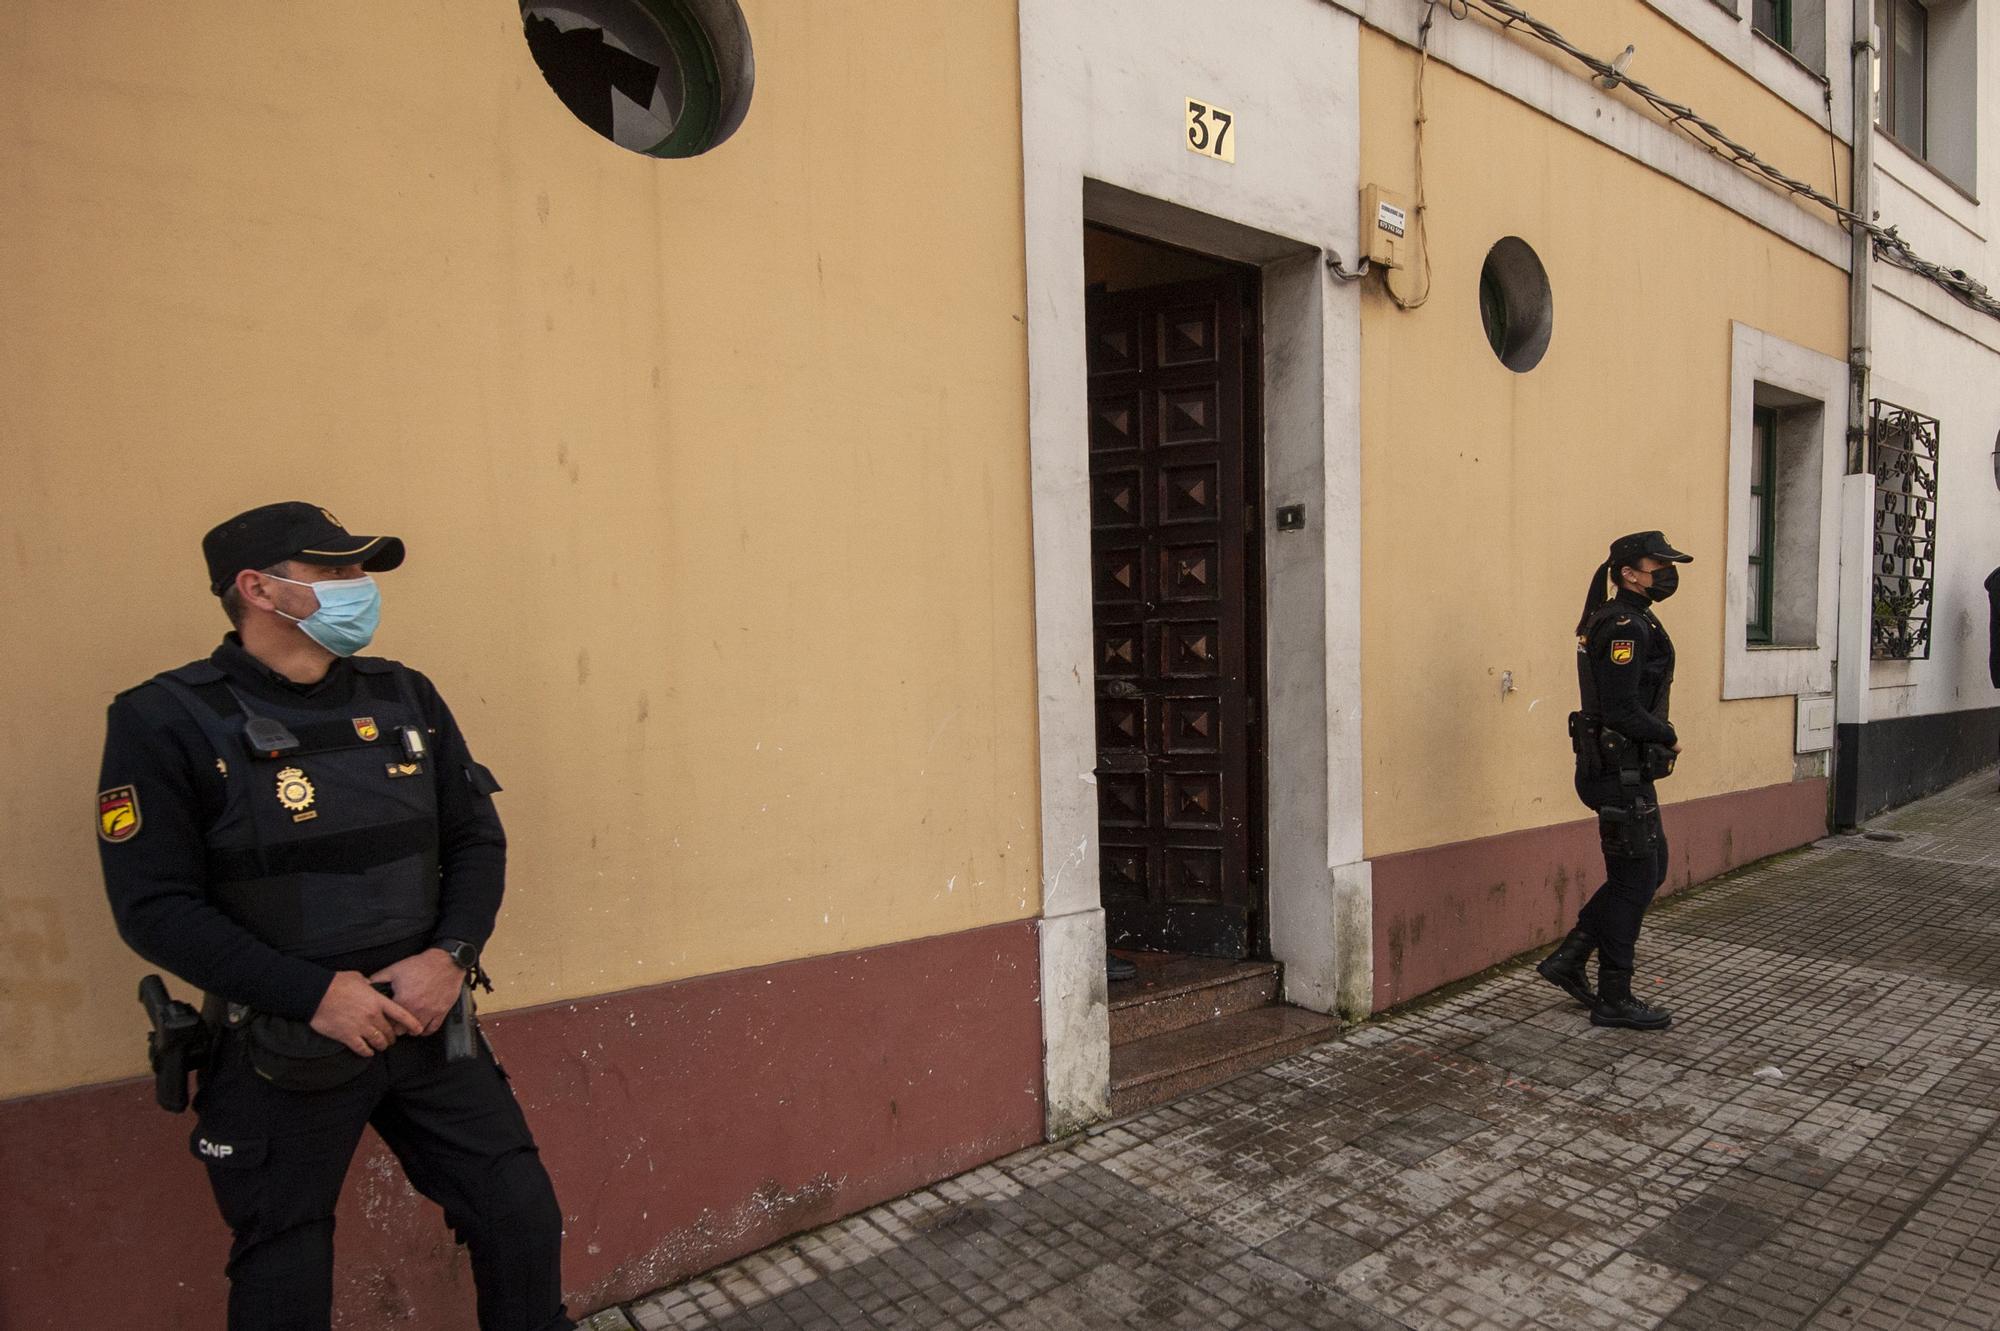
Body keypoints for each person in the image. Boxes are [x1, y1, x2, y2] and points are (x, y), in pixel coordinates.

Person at [96, 502, 570, 1331]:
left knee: (518, 1209)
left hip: (427, 1020)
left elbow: (474, 839)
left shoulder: (405, 694)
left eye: (362, 572)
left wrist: (451, 956)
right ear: (258, 589)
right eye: (337, 572)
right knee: (284, 1263)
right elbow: (154, 908)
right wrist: (315, 994)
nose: (361, 588)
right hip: (284, 1040)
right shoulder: (162, 719)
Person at [1538, 530, 1692, 1032]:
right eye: (1658, 566)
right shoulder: (1625, 625)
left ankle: (1570, 956)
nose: (1667, 574)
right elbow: (1623, 708)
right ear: (1629, 572)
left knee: (1649, 870)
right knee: (1634, 881)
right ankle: (1614, 996)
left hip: (1624, 769)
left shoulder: (1628, 618)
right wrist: (1666, 733)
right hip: (1618, 770)